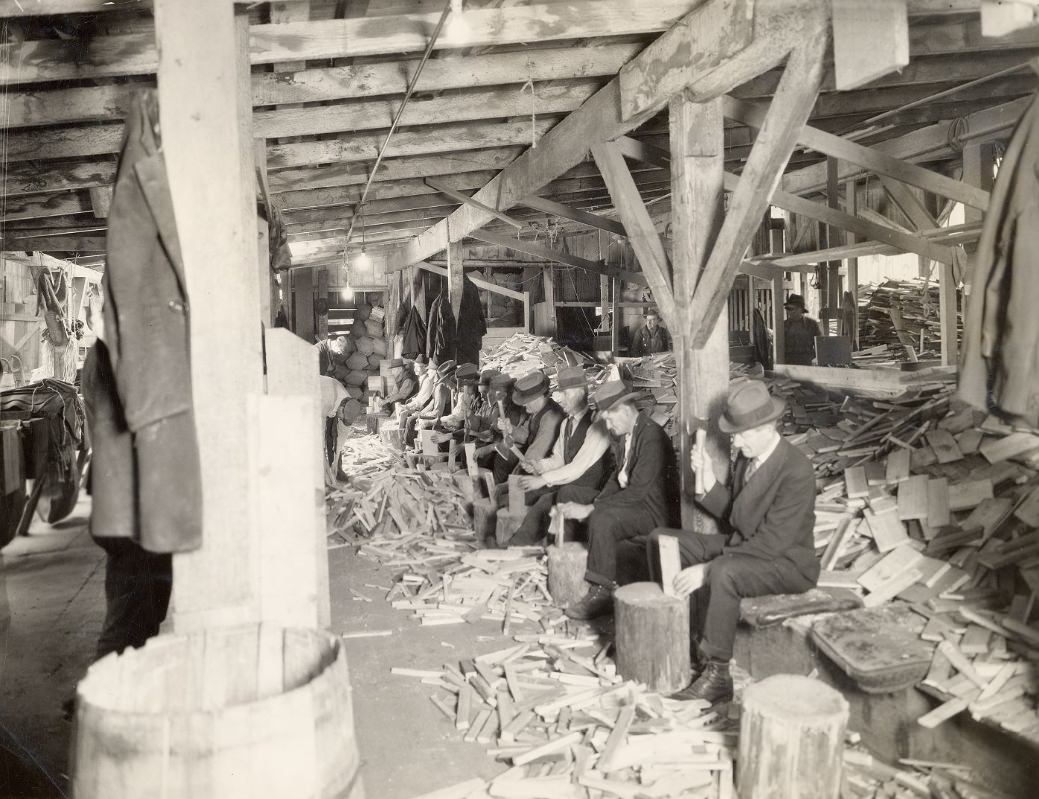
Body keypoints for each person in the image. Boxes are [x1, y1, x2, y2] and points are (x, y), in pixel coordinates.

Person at [646, 378, 818, 705]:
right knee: (663, 540)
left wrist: (707, 568)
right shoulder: (746, 459)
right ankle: (675, 631)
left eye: (742, 433)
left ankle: (717, 673)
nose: (735, 441)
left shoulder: (796, 470)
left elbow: (771, 543)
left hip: (787, 563)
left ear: (767, 426)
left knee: (724, 572)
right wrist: (707, 481)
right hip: (747, 545)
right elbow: (734, 515)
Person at [558, 381, 679, 620]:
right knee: (573, 494)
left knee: (602, 518)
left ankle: (602, 590)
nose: (609, 427)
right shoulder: (628, 434)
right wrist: (596, 500)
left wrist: (592, 508)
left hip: (653, 511)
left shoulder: (651, 436)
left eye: (610, 420)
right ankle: (575, 561)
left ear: (625, 410)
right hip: (635, 503)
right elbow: (618, 476)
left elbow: (636, 492)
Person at [508, 366, 612, 545]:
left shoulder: (597, 424)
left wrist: (542, 479)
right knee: (527, 495)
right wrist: (539, 465)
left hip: (588, 490)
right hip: (566, 483)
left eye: (565, 394)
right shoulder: (566, 423)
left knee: (544, 502)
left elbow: (578, 467)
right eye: (559, 393)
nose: (559, 399)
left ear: (580, 393)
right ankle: (522, 544)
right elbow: (559, 459)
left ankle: (517, 546)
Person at [410, 360, 456, 445]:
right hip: (445, 417)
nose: (428, 372)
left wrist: (422, 415)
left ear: (436, 373)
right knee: (414, 418)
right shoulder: (437, 386)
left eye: (430, 370)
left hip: (445, 419)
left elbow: (438, 412)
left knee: (413, 421)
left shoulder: (441, 387)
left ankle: (418, 447)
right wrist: (420, 413)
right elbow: (432, 403)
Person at [432, 363, 481, 441]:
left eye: (446, 382)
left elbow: (461, 416)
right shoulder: (460, 392)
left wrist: (440, 422)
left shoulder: (475, 397)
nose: (446, 385)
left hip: (471, 433)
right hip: (465, 429)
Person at [782, 294, 821, 366]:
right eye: (787, 309)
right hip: (788, 364)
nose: (789, 312)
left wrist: (816, 361)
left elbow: (820, 345)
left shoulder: (812, 324)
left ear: (800, 309)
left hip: (807, 364)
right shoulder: (783, 326)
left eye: (791, 309)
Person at [397, 356, 433, 428]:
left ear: (425, 367)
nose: (415, 369)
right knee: (401, 410)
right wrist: (408, 406)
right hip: (420, 406)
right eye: (414, 366)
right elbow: (419, 397)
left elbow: (423, 400)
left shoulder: (427, 381)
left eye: (418, 366)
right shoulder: (422, 378)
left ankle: (401, 435)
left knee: (404, 413)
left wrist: (408, 407)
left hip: (424, 408)